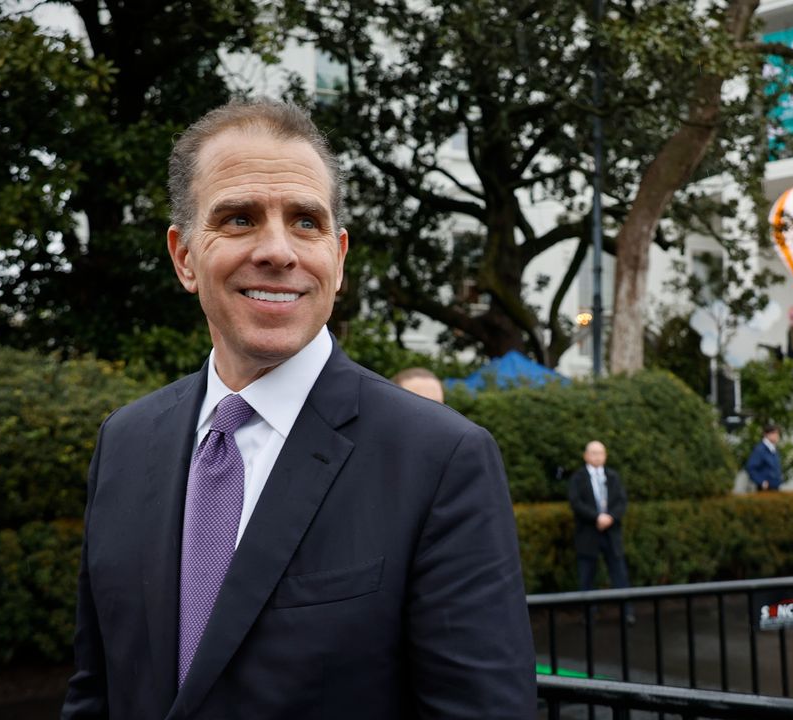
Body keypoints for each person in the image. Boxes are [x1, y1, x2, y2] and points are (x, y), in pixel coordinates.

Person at [61, 100, 535, 719]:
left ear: (338, 260)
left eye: (306, 222)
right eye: (238, 218)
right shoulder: (124, 441)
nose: (278, 250)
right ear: (184, 258)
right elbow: (95, 691)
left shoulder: (440, 458)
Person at [568, 441, 631, 598]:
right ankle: (588, 615)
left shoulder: (613, 476)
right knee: (587, 577)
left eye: (600, 453)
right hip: (588, 534)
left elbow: (621, 502)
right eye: (593, 453)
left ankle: (627, 612)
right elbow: (575, 502)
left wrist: (610, 517)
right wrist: (596, 517)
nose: (597, 457)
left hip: (611, 533)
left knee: (620, 574)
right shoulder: (578, 478)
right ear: (586, 456)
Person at [745, 424, 783, 491]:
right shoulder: (760, 449)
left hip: (774, 487)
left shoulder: (773, 449)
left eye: (778, 433)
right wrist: (762, 482)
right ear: (766, 434)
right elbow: (751, 467)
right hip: (765, 488)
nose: (777, 435)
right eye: (774, 433)